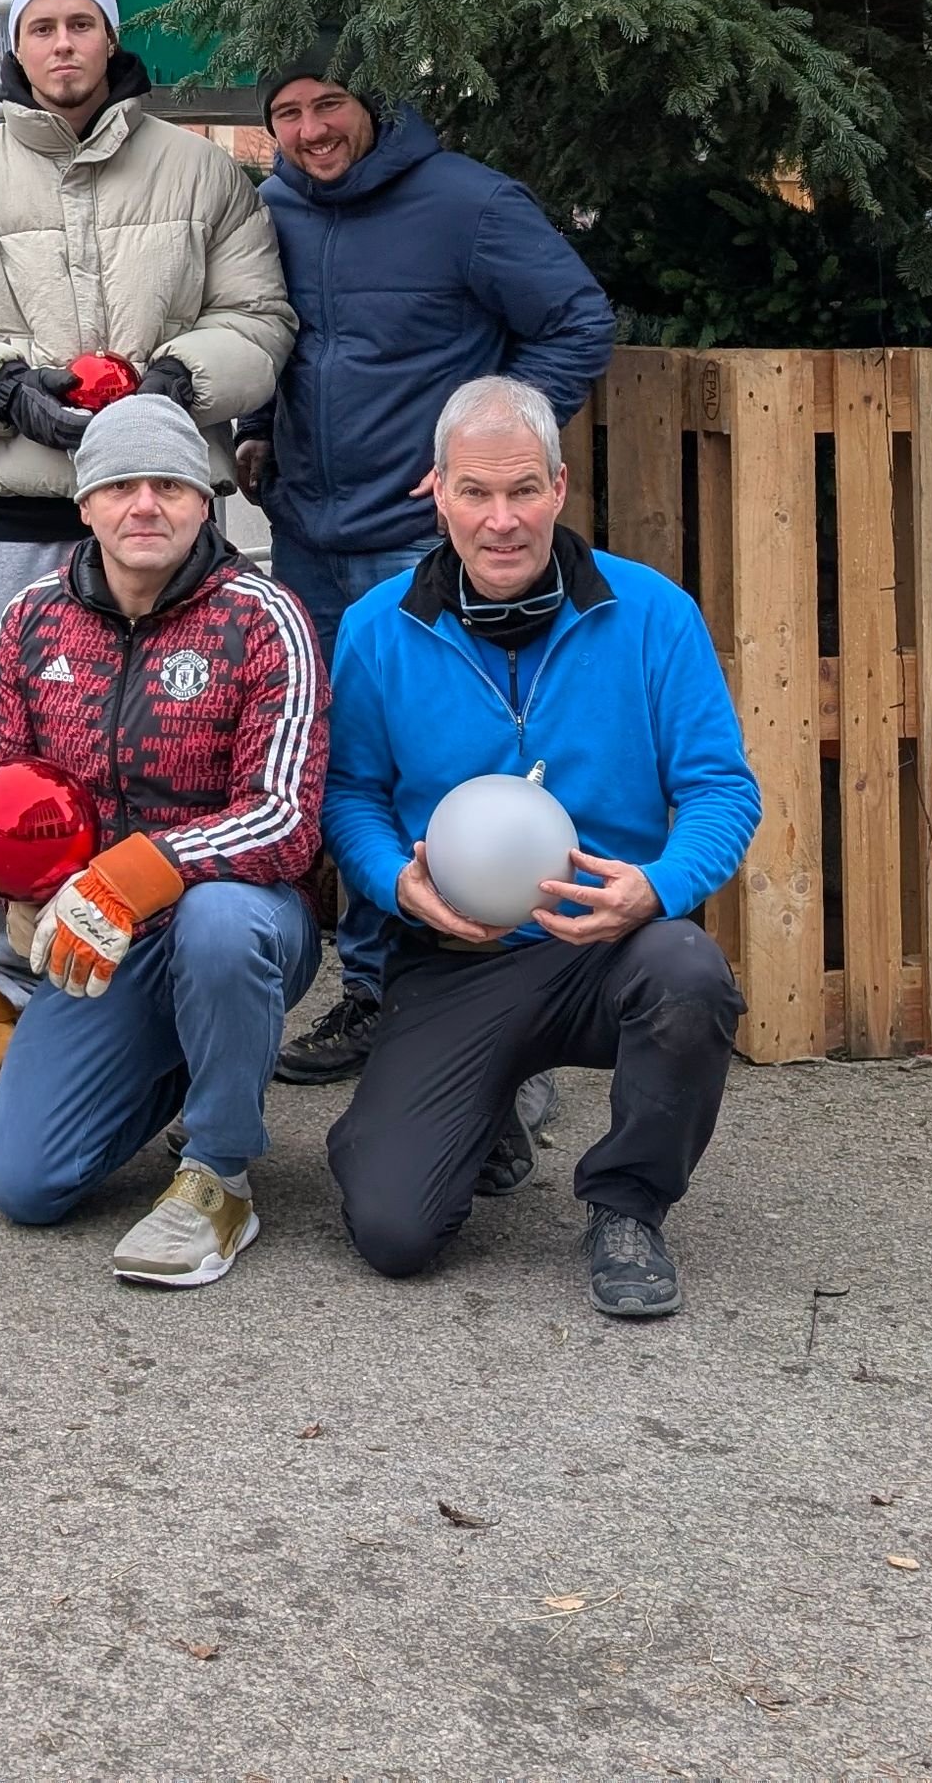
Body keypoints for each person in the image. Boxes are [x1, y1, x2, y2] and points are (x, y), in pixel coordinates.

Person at [0, 0, 295, 1080]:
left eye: (79, 25)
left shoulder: (202, 178)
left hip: (166, 515)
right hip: (22, 513)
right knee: (27, 766)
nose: (60, 45)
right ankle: (13, 980)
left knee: (178, 753)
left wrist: (171, 386)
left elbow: (258, 316)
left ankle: (167, 951)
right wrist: (6, 386)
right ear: (15, 45)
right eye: (40, 27)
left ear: (112, 39)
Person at [320, 375, 758, 1319]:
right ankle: (484, 1114)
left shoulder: (650, 615)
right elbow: (348, 795)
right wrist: (396, 882)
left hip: (610, 949)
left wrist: (660, 885)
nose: (501, 519)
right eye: (475, 493)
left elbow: (722, 789)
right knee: (394, 1232)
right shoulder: (377, 630)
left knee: (690, 972)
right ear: (435, 493)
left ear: (560, 490)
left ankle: (628, 1204)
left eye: (524, 490)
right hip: (456, 960)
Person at [243, 56, 620, 1089]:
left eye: (329, 106)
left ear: (372, 104)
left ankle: (502, 1008)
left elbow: (577, 322)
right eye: (287, 113)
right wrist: (254, 431)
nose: (311, 130)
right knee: (350, 765)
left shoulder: (470, 204)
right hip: (310, 530)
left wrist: (478, 457)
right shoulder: (270, 206)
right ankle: (373, 989)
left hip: (426, 537)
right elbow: (275, 342)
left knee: (450, 767)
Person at [0, 396, 324, 1287]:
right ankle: (192, 1063)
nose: (145, 506)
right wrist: (20, 885)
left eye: (170, 485)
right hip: (97, 931)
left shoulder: (263, 616)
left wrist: (143, 870)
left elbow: (286, 818)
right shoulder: (30, 619)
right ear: (84, 505)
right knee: (28, 1184)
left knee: (218, 926)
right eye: (121, 486)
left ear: (206, 501)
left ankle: (220, 1173)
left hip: (236, 915)